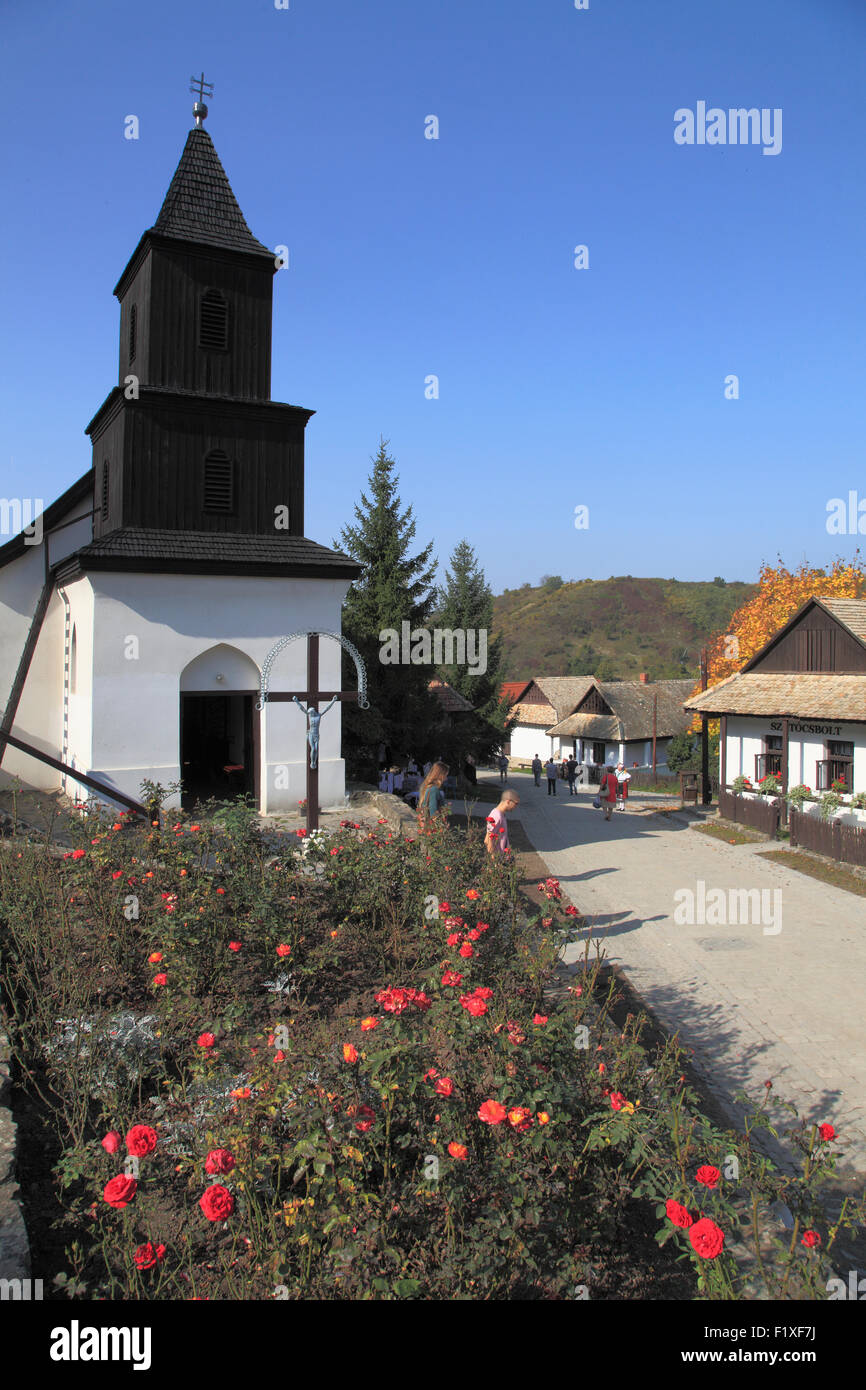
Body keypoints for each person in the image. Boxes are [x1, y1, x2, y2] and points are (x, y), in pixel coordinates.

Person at [485, 787, 519, 858]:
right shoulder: (496, 816)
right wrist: (494, 863)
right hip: (498, 860)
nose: (516, 807)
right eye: (516, 803)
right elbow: (488, 840)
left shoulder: (501, 814)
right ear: (508, 801)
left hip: (503, 857)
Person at [416, 761, 449, 832]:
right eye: (446, 775)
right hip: (433, 831)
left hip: (425, 828)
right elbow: (433, 813)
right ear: (440, 775)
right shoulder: (434, 790)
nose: (446, 778)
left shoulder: (425, 787)